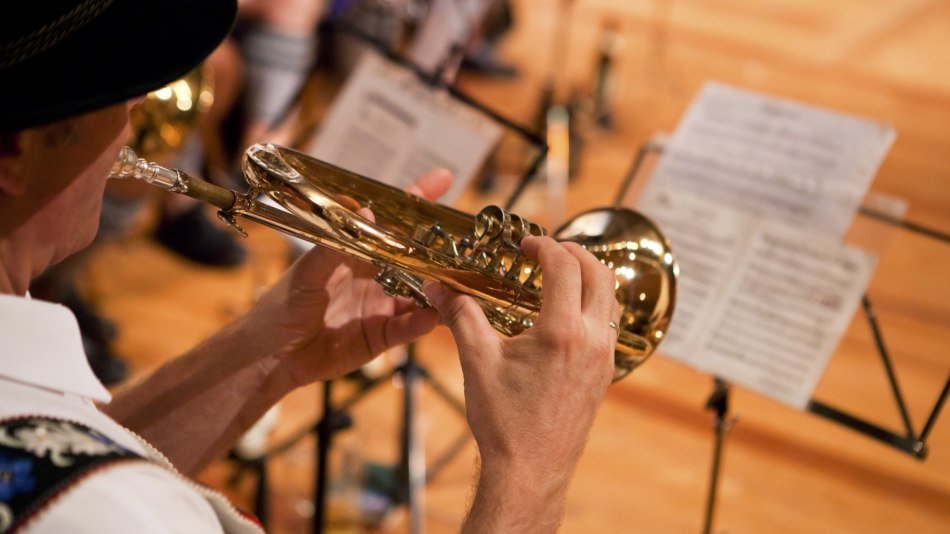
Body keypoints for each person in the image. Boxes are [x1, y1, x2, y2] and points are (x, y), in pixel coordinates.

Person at [0, 0, 621, 532]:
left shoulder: (74, 473)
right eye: (112, 90)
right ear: (14, 151)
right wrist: (528, 470)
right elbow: (81, 489)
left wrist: (265, 353)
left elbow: (62, 451)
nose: (136, 108)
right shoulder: (118, 514)